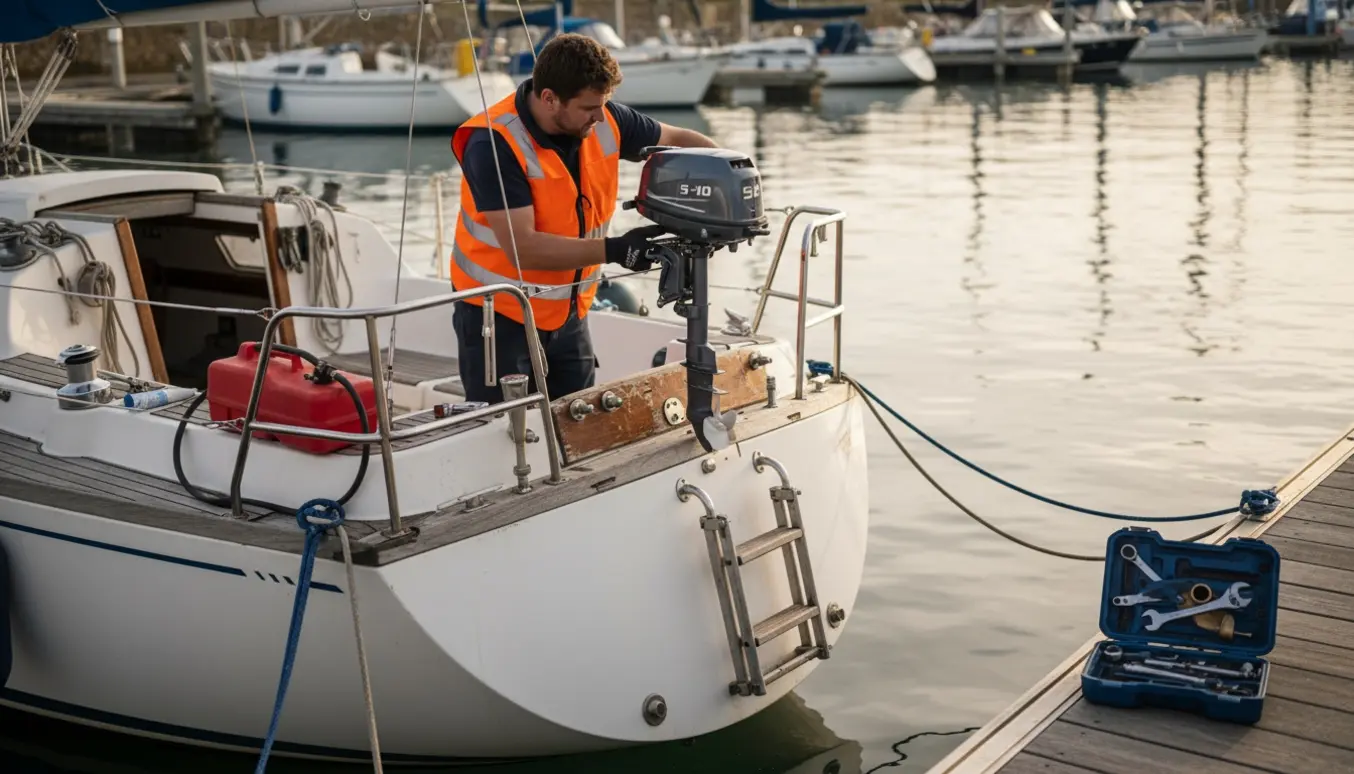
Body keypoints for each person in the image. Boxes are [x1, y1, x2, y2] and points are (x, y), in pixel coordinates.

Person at [448, 33, 719, 404]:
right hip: (499, 317)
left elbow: (678, 139)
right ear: (549, 98)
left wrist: (728, 176)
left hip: (569, 312)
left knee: (580, 421)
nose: (600, 116)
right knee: (506, 431)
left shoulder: (604, 118)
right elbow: (523, 249)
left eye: (603, 104)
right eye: (590, 107)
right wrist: (616, 250)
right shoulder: (493, 143)